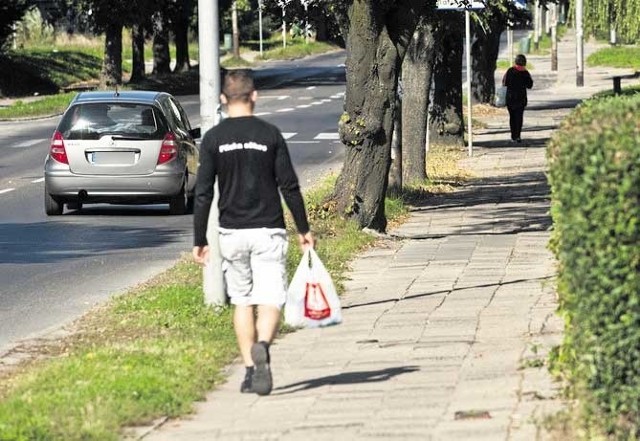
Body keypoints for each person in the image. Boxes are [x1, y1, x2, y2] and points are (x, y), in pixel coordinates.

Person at [192, 69, 314, 396]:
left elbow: (203, 192)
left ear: (223, 100)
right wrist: (303, 229)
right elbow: (289, 186)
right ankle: (263, 345)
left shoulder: (214, 139)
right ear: (254, 96)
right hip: (269, 230)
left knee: (243, 301)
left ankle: (249, 370)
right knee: (272, 298)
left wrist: (200, 239)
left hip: (231, 232)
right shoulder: (270, 134)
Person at [502, 54, 533, 143]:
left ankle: (513, 136)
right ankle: (518, 136)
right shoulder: (525, 73)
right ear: (524, 63)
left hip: (510, 98)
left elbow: (504, 83)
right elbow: (530, 85)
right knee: (519, 117)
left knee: (512, 117)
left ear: (516, 61)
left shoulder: (510, 71)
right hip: (521, 98)